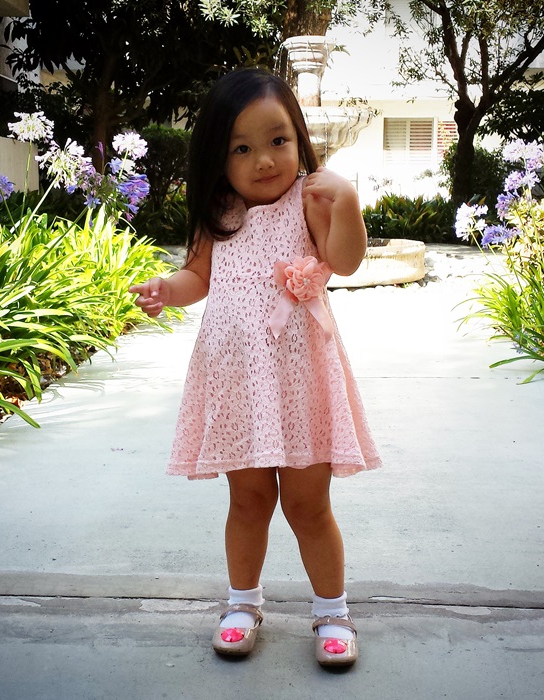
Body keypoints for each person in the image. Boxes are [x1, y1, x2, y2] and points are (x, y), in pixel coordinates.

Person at [129, 68, 381, 668]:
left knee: (308, 505)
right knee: (247, 501)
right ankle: (243, 603)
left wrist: (347, 202)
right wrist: (167, 287)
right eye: (240, 148)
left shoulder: (311, 200)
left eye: (277, 141)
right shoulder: (219, 211)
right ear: (218, 158)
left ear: (299, 139)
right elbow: (197, 278)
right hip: (239, 381)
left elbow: (345, 260)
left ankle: (333, 612)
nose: (263, 160)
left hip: (301, 382)